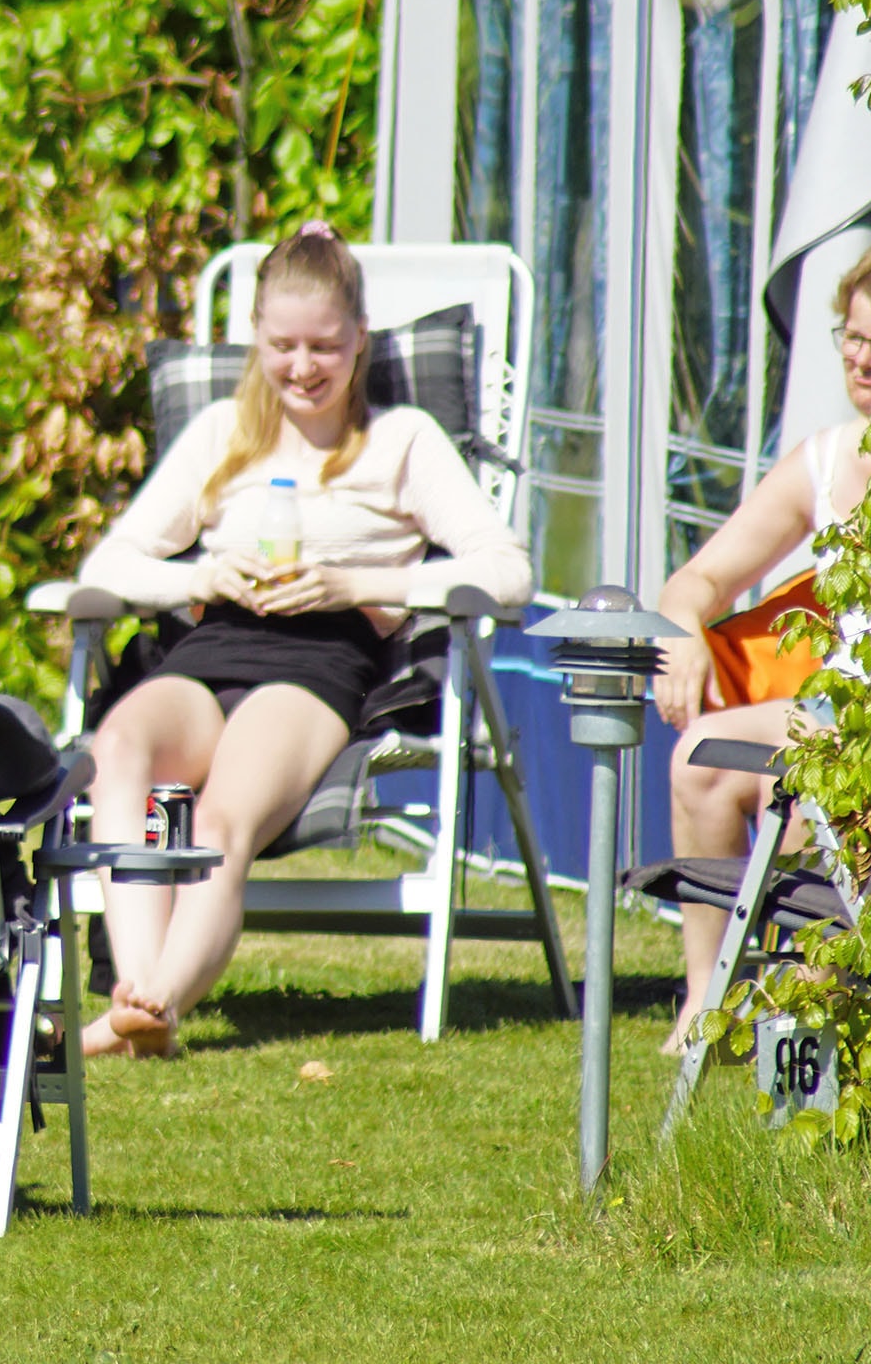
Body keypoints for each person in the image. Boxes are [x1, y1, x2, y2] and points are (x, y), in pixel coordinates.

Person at [71, 225, 534, 1058]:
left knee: (219, 819)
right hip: (211, 650)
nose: (303, 367)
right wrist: (203, 577)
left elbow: (506, 574)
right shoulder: (222, 433)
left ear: (361, 338)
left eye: (325, 345)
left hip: (321, 664)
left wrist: (359, 586)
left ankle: (157, 1003)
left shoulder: (403, 441)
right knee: (120, 747)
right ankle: (137, 992)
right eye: (282, 345)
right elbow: (112, 560)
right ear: (256, 336)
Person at [652, 240, 871, 1048]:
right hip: (835, 706)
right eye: (852, 337)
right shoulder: (826, 460)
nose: (863, 361)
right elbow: (695, 580)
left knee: (805, 791)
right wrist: (687, 635)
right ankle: (705, 995)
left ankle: (809, 1015)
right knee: (703, 755)